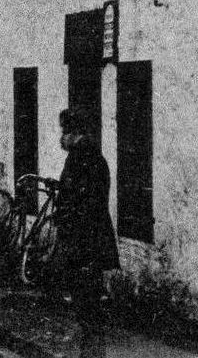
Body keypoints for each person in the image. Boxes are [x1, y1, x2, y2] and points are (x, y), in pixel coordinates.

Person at [56, 107, 120, 315]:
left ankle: (89, 322)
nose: (62, 137)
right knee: (87, 274)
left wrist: (68, 215)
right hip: (87, 224)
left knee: (83, 277)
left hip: (83, 226)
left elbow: (80, 192)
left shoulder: (82, 155)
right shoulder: (88, 154)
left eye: (64, 131)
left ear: (73, 132)